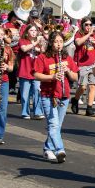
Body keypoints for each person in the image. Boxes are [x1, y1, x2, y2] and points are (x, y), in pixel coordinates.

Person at [32, 30, 79, 163]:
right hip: (48, 95)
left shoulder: (66, 58)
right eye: (55, 41)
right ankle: (59, 150)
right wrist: (52, 76)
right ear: (51, 43)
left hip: (63, 95)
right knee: (53, 124)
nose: (58, 44)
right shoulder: (43, 57)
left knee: (57, 126)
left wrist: (68, 70)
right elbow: (36, 75)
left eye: (60, 41)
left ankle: (47, 149)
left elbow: (75, 77)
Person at [17, 24, 47, 120]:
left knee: (37, 92)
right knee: (25, 95)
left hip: (36, 72)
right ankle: (25, 112)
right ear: (27, 32)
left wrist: (42, 44)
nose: (34, 32)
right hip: (25, 71)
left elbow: (43, 53)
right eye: (31, 30)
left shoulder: (38, 42)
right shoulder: (22, 41)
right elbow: (24, 49)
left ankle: (37, 112)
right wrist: (35, 43)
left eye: (35, 31)